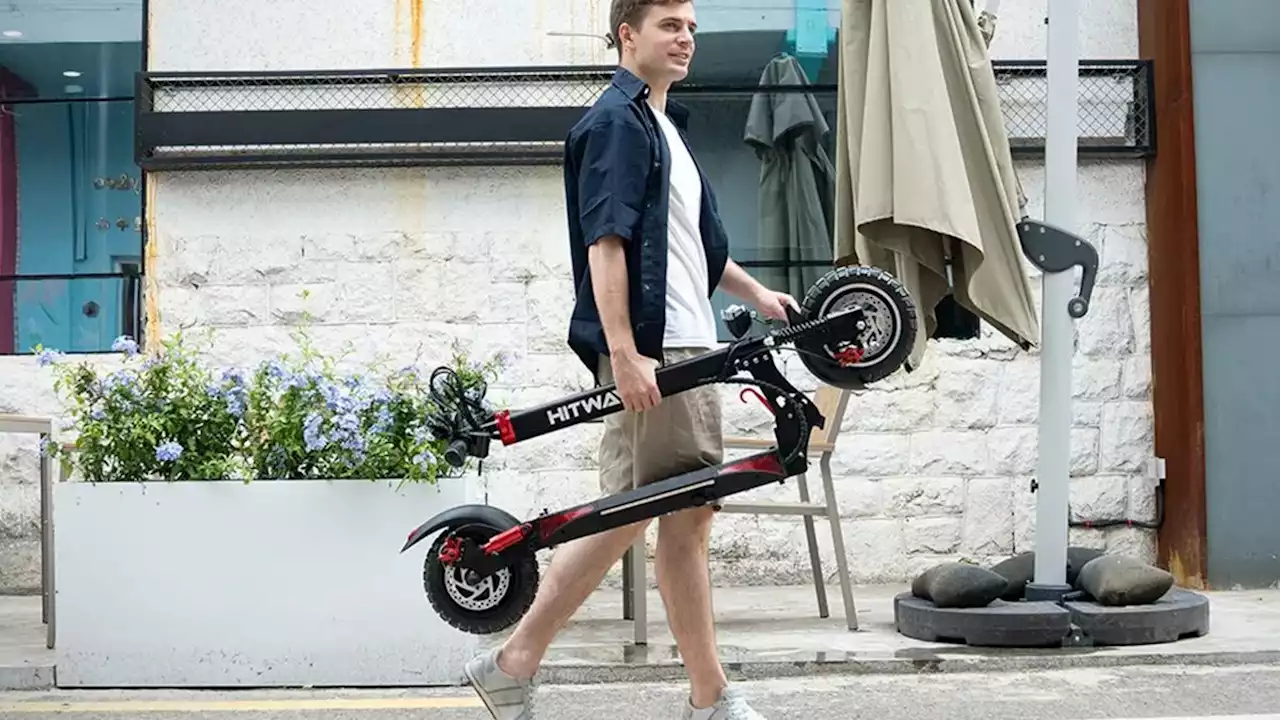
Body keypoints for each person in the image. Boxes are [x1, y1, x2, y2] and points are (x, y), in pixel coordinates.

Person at [462, 1, 796, 717]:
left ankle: (514, 664)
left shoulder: (661, 127)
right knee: (671, 517)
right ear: (627, 35)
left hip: (683, 340)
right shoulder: (616, 123)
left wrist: (757, 292)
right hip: (661, 347)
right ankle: (708, 698)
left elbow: (693, 251)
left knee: (639, 514)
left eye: (692, 28)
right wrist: (625, 351)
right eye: (670, 25)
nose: (686, 40)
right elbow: (605, 241)